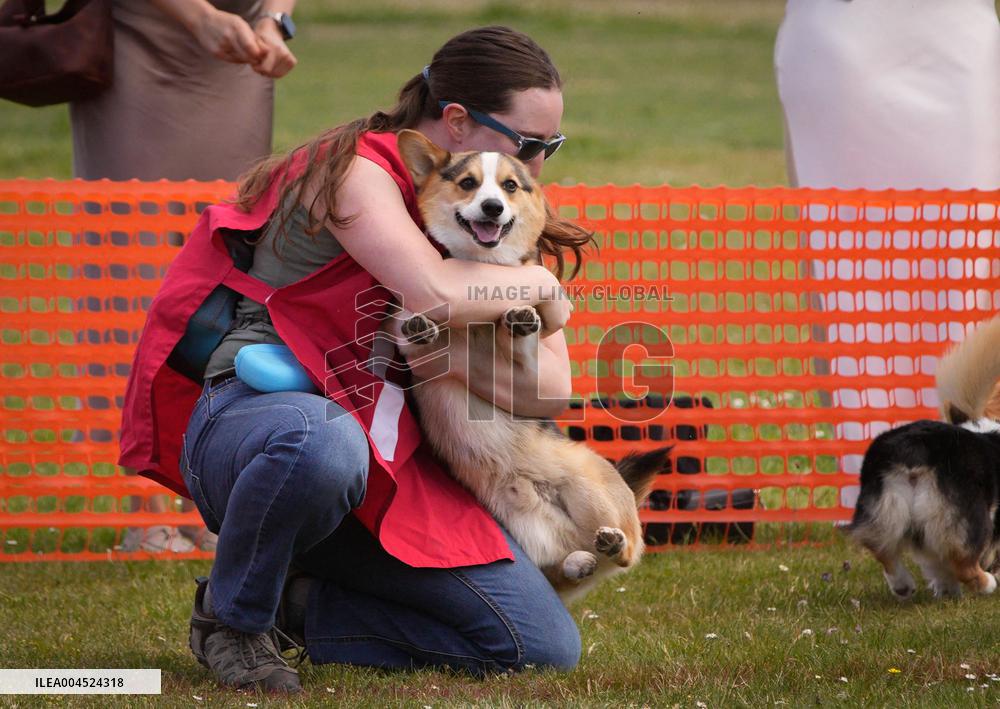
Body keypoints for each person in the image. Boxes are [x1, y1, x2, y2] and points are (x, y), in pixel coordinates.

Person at [118, 26, 588, 693]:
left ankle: (296, 605)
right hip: (263, 424)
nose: (535, 167)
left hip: (390, 464)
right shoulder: (355, 170)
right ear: (456, 121)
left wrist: (448, 362)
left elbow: (550, 388)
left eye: (549, 147)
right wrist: (537, 286)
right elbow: (432, 292)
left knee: (538, 646)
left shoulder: (500, 211)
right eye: (527, 143)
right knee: (321, 443)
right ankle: (235, 621)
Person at [72, 0, 297, 552]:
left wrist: (274, 18)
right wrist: (197, 17)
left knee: (226, 276)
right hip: (140, 45)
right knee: (130, 271)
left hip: (241, 58)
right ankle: (143, 509)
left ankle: (204, 497)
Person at [774, 0, 1000, 504]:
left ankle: (970, 477)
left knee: (963, 257)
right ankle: (877, 484)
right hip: (844, 36)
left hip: (957, 36)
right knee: (848, 263)